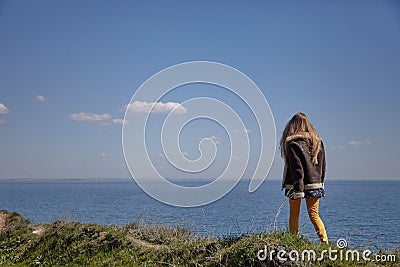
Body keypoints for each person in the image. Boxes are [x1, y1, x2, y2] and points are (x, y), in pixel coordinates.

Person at [280, 112, 328, 244]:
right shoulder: (317, 142)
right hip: (315, 184)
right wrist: (320, 182)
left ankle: (294, 241)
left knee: (294, 214)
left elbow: (297, 169)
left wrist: (298, 189)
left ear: (292, 126)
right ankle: (325, 243)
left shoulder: (292, 143)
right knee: (314, 215)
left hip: (295, 185)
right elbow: (323, 165)